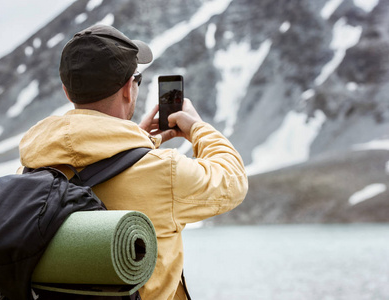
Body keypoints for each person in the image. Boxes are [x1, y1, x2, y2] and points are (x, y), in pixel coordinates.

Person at [19, 24, 248, 300]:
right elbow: (233, 180)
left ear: (68, 93)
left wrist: (136, 141)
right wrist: (197, 127)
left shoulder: (29, 170)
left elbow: (86, 158)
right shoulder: (164, 172)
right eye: (137, 79)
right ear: (129, 88)